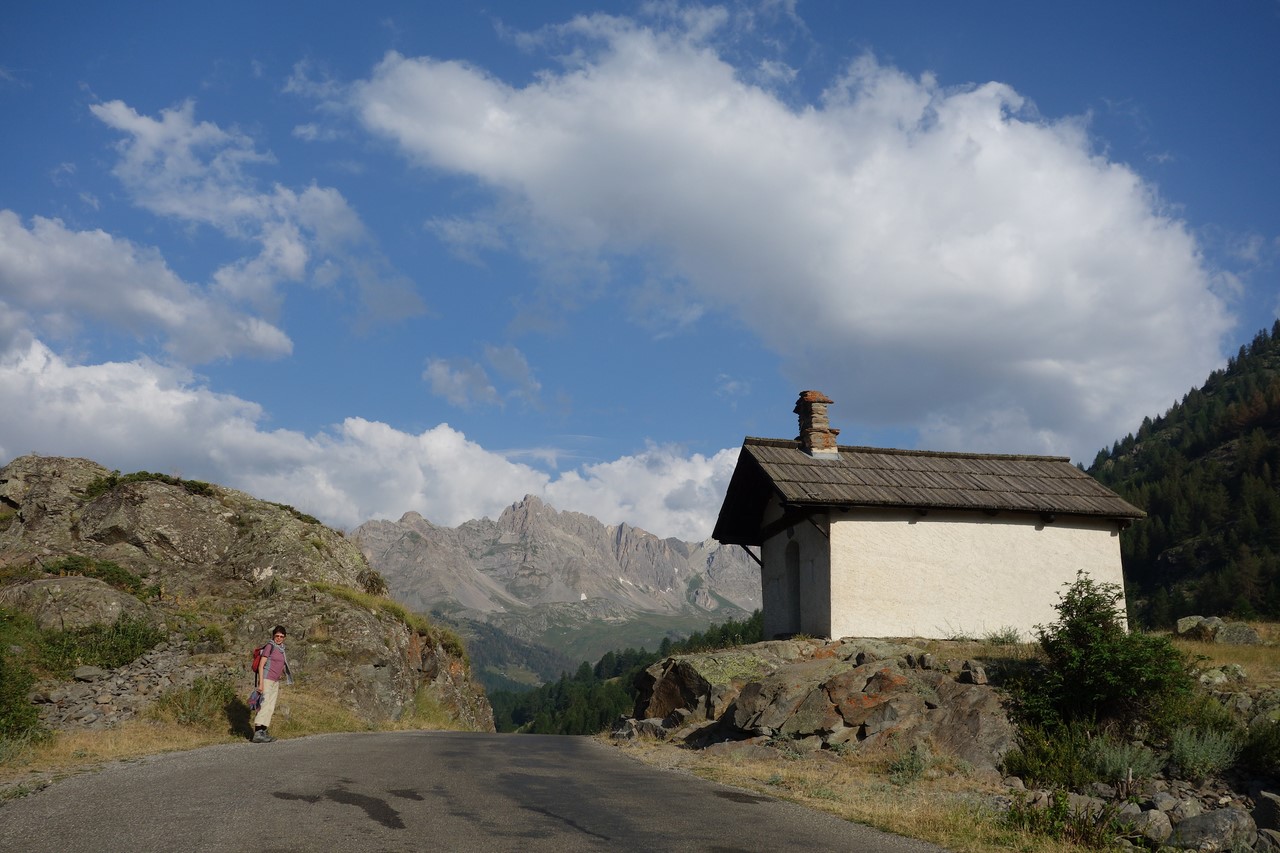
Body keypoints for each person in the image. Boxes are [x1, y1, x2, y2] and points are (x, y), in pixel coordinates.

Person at [252, 625, 292, 743]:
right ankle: (258, 732)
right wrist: (261, 683)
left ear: (284, 638)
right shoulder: (270, 646)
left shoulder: (281, 649)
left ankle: (263, 731)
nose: (279, 638)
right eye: (277, 636)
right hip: (267, 680)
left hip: (275, 681)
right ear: (273, 636)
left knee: (270, 706)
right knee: (264, 705)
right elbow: (261, 665)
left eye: (281, 636)